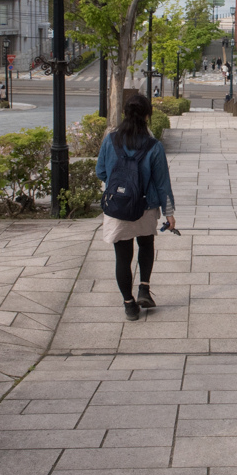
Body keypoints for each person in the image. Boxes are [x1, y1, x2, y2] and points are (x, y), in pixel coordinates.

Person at [96, 93, 176, 320]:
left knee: (122, 256)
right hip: (145, 206)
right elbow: (162, 184)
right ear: (147, 115)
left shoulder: (110, 140)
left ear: (124, 113)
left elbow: (100, 171)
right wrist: (169, 214)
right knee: (146, 244)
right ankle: (143, 287)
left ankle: (129, 304)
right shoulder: (154, 146)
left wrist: (119, 186)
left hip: (117, 208)